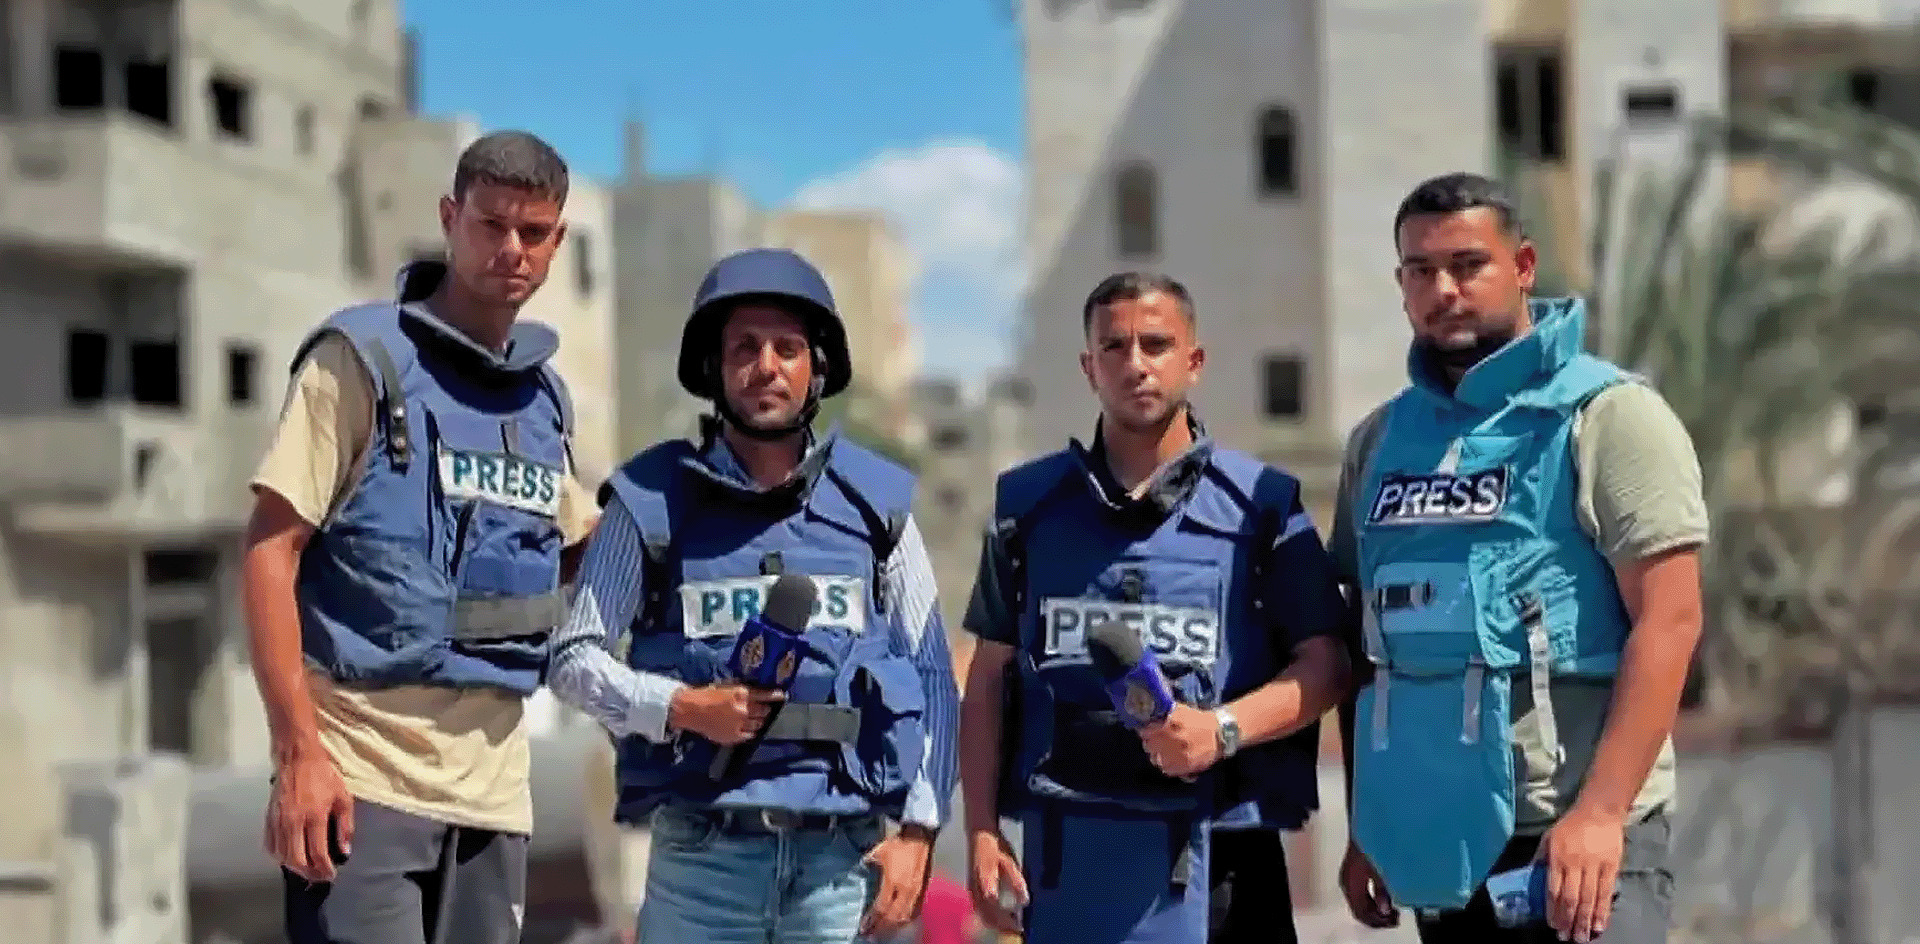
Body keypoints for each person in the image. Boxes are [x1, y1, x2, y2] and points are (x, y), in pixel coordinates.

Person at [241, 130, 600, 944]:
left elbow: (581, 548)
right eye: (491, 224)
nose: (511, 249)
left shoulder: (541, 400)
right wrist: (298, 756)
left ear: (557, 242)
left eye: (533, 232)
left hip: (494, 799)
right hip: (362, 781)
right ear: (449, 219)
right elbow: (269, 550)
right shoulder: (358, 360)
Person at [546, 246, 962, 944]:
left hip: (839, 868)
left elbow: (932, 673)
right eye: (744, 347)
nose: (766, 365)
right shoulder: (650, 500)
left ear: (815, 368)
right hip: (700, 867)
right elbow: (572, 658)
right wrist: (682, 707)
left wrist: (920, 831)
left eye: (787, 348)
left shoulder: (876, 507)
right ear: (713, 368)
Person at [1333, 172, 1707, 944]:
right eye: (1420, 271)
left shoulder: (1608, 416)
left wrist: (1600, 813)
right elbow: (1364, 646)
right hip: (1441, 837)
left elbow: (1670, 621)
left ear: (1524, 266)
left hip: (1581, 841)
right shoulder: (1379, 443)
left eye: (1468, 265)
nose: (1444, 289)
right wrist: (1373, 818)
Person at [959, 271, 1351, 944]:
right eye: (1114, 347)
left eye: (1156, 344)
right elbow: (989, 674)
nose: (1135, 363)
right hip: (1071, 857)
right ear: (1089, 368)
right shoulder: (1028, 510)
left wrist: (1221, 729)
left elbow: (1330, 664)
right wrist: (980, 828)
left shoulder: (1262, 506)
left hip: (1224, 859)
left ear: (1193, 361)